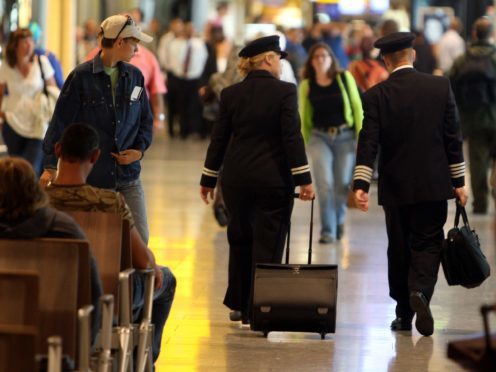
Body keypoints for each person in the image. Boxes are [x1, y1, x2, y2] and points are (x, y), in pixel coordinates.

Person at [352, 32, 467, 336]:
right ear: (412, 55)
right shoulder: (440, 87)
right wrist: (459, 181)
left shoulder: (376, 95)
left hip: (396, 186)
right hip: (433, 183)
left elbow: (369, 142)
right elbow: (452, 137)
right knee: (428, 243)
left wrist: (361, 184)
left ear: (386, 60)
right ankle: (421, 292)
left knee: (399, 246)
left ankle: (403, 313)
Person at [199, 35, 314, 323]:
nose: (279, 65)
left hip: (236, 180)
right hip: (273, 181)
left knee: (240, 238)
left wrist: (208, 178)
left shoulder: (231, 94)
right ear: (268, 59)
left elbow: (219, 139)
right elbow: (291, 138)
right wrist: (304, 179)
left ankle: (239, 303)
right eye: (278, 58)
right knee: (269, 241)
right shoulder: (285, 92)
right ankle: (260, 307)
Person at [45, 123, 175, 362]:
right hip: (106, 297)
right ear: (95, 155)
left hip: (47, 295)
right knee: (165, 281)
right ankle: (140, 360)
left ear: (57, 150)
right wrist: (153, 263)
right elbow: (141, 260)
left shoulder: (39, 201)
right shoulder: (109, 202)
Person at [41, 15, 154, 244]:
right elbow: (60, 123)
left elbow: (145, 120)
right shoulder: (80, 77)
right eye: (134, 42)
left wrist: (138, 151)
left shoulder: (135, 77)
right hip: (93, 178)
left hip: (129, 177)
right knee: (96, 241)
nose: (137, 49)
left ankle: (137, 281)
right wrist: (50, 166)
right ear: (120, 42)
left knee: (140, 240)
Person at [0, 156, 103, 344]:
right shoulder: (65, 230)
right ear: (34, 189)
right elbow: (93, 292)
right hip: (56, 346)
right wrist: (84, 348)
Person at [299, 43, 363, 243]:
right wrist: (304, 142)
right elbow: (303, 116)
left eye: (324, 56)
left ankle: (339, 222)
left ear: (331, 59)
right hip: (319, 138)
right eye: (316, 56)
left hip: (345, 136)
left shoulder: (344, 78)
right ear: (311, 62)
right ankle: (328, 230)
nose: (320, 59)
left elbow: (357, 108)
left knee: (341, 185)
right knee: (324, 184)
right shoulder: (307, 85)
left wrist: (361, 139)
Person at [448, 18, 496, 214]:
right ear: (491, 35)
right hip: (495, 116)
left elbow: (448, 83)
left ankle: (480, 204)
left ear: (475, 34)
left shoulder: (463, 59)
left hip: (473, 119)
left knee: (477, 163)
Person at [0, 28, 56, 176]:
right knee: (16, 170)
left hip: (37, 124)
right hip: (12, 124)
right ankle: (19, 199)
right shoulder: (7, 66)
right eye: (24, 41)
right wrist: (2, 115)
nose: (29, 45)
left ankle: (34, 199)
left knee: (31, 169)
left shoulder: (41, 62)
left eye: (31, 40)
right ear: (15, 45)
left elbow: (54, 90)